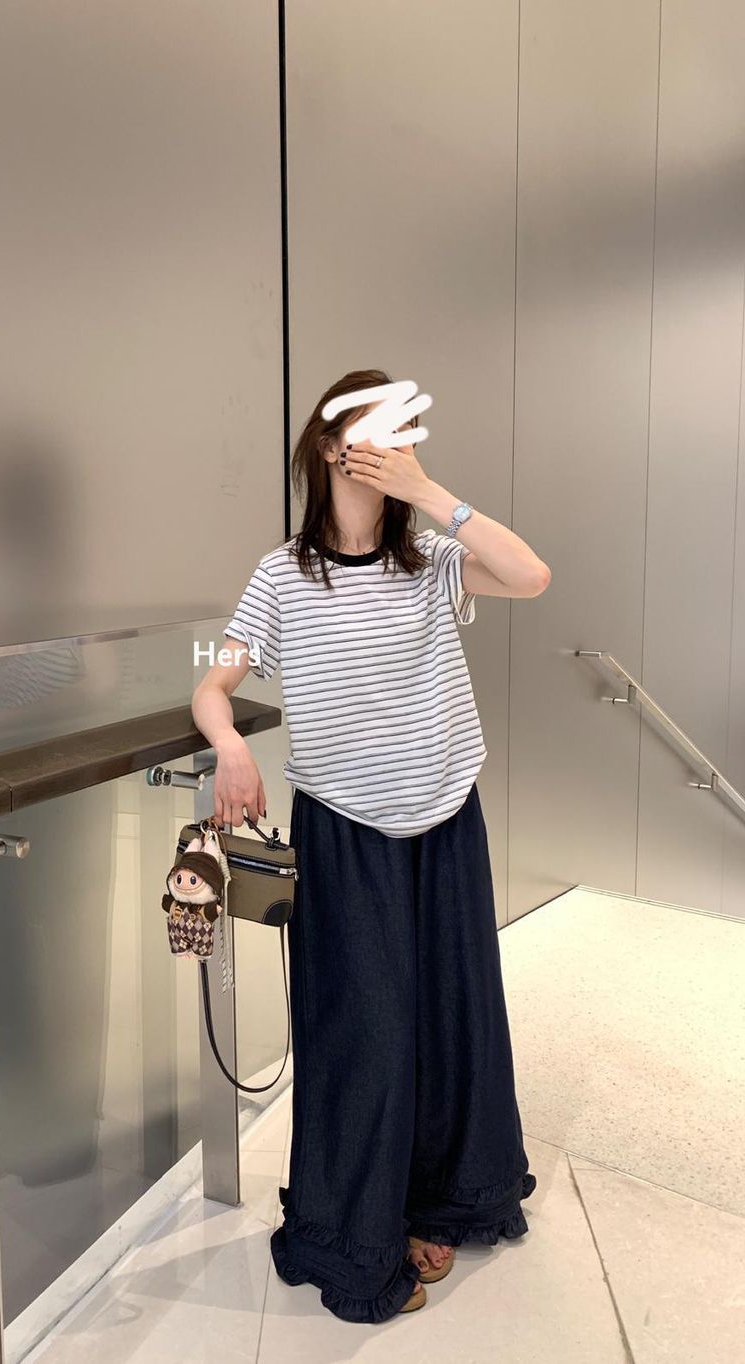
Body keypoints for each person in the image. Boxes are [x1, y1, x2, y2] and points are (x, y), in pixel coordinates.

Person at [190, 368, 551, 1324]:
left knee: (454, 1012)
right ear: (327, 444)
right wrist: (231, 747)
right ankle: (356, 1229)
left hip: (446, 817)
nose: (389, 445)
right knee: (365, 1030)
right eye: (371, 428)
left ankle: (444, 1199)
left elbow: (530, 576)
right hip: (346, 831)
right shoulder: (282, 574)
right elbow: (212, 687)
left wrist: (430, 492)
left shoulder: (430, 556)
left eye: (403, 431)